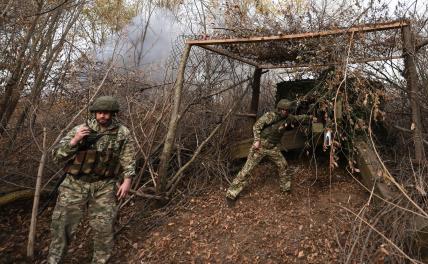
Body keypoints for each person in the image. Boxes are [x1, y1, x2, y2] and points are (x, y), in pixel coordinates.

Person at [48, 96, 136, 264]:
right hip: (75, 184)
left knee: (104, 228)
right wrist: (75, 140)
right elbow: (57, 156)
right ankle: (54, 260)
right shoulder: (81, 129)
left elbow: (128, 157)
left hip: (104, 185)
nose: (104, 116)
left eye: (107, 113)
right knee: (62, 227)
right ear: (94, 113)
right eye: (100, 113)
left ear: (113, 114)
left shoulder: (122, 132)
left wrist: (127, 180)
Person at [226, 99, 312, 206]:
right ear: (279, 109)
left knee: (283, 165)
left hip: (272, 148)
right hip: (260, 147)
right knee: (247, 170)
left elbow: (299, 118)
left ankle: (285, 189)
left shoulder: (288, 118)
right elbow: (257, 126)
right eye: (284, 110)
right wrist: (257, 140)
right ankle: (231, 195)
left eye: (287, 110)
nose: (286, 112)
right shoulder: (270, 116)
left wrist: (311, 118)